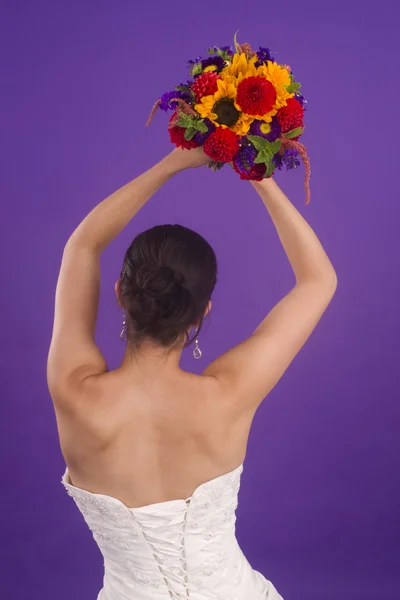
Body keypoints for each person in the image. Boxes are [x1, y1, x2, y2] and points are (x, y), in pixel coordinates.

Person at [47, 146, 337, 600]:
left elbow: (82, 245)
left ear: (121, 292)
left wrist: (171, 163)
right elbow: (319, 280)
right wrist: (255, 170)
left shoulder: (74, 392)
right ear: (203, 310)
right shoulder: (228, 394)